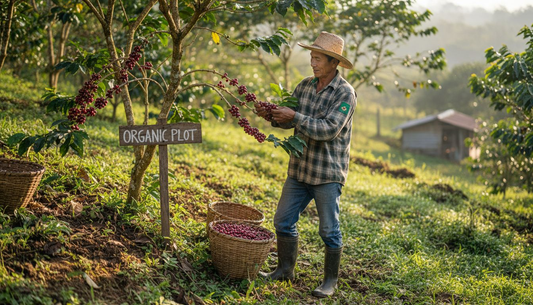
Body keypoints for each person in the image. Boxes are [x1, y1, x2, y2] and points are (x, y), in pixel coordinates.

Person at [255, 31, 356, 298]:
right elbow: (290, 121)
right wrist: (273, 116)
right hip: (300, 169)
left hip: (327, 173)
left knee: (328, 230)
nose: (313, 63)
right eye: (311, 57)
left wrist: (294, 116)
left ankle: (330, 281)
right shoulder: (304, 86)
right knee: (283, 221)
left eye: (318, 58)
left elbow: (329, 130)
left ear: (334, 63)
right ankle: (285, 270)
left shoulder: (345, 94)